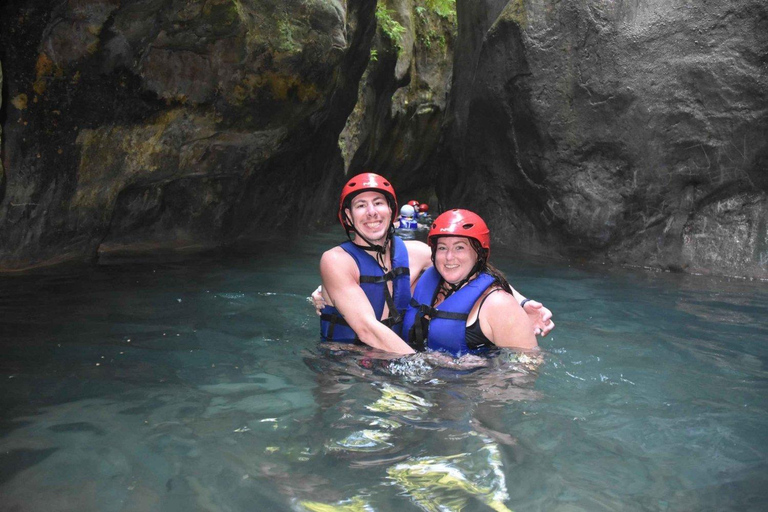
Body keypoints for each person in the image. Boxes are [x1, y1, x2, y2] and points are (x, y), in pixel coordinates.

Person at [318, 172, 553, 355]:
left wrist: (522, 302)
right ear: (348, 216)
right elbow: (366, 328)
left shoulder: (417, 253)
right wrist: (417, 368)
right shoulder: (337, 260)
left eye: (378, 203)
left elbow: (472, 271)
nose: (372, 212)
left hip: (394, 362)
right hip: (346, 364)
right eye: (361, 205)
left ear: (391, 210)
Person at [402, 209, 537, 357]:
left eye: (459, 247)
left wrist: (483, 371)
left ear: (479, 253)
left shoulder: (499, 304)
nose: (449, 257)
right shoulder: (422, 283)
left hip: (469, 379)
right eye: (442, 248)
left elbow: (527, 368)